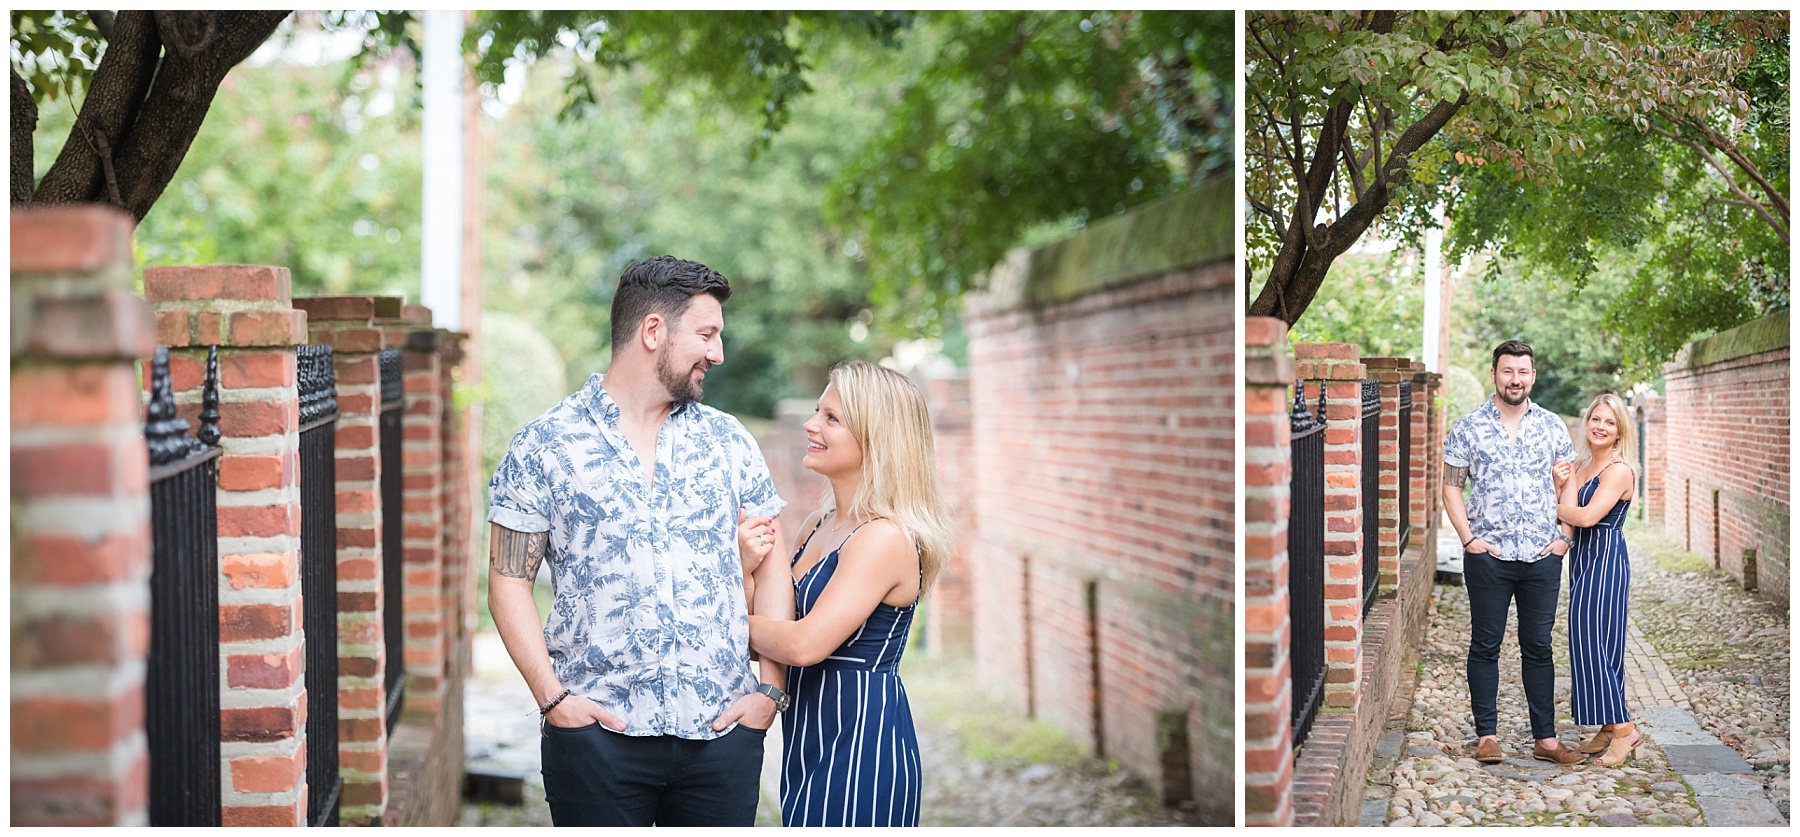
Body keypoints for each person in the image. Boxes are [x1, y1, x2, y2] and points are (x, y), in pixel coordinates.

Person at [484, 255, 792, 826]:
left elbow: (773, 566)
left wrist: (769, 692)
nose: (717, 353)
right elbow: (507, 582)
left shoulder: (730, 443)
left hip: (722, 735)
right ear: (654, 330)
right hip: (596, 740)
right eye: (706, 334)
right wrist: (553, 700)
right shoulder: (543, 447)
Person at [743, 360, 956, 827]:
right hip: (809, 736)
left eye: (831, 418)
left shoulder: (884, 537)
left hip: (861, 740)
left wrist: (707, 620)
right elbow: (767, 622)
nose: (810, 424)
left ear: (876, 437)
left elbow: (802, 643)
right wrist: (743, 569)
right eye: (818, 411)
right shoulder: (816, 526)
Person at [1441, 339, 1584, 766]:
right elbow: (1451, 484)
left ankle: (1546, 738)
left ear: (1533, 376)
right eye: (1508, 371)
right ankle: (1487, 735)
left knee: (1539, 646)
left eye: (1523, 372)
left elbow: (1569, 482)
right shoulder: (1468, 427)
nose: (1515, 379)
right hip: (1489, 555)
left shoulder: (1553, 426)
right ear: (1494, 374)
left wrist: (1565, 536)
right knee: (1485, 644)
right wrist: (1468, 539)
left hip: (1543, 554)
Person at [1551, 393, 1641, 767]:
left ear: (1620, 430)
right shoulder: (1584, 464)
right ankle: (1607, 726)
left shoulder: (1619, 470)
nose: (1601, 427)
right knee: (1601, 644)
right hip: (1583, 559)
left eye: (1609, 422)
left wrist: (1543, 504)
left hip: (1606, 558)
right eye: (1596, 419)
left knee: (1592, 642)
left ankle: (1625, 732)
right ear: (1587, 423)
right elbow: (1570, 515)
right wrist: (1560, 485)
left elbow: (1586, 517)